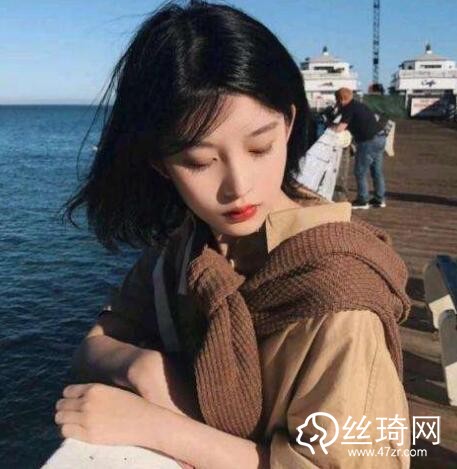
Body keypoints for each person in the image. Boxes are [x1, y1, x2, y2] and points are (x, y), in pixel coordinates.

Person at [55, 2, 411, 468]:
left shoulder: (340, 299)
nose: (238, 186)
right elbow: (96, 342)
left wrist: (157, 426)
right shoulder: (189, 247)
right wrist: (142, 367)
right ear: (160, 163)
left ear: (288, 124)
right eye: (199, 162)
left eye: (260, 147)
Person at [332, 88, 388, 209]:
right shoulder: (358, 105)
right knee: (376, 171)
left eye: (336, 100)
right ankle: (379, 199)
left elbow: (340, 128)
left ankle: (362, 200)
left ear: (341, 99)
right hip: (380, 137)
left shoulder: (349, 108)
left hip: (368, 141)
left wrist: (330, 128)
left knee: (360, 171)